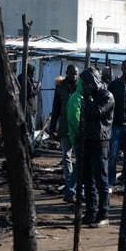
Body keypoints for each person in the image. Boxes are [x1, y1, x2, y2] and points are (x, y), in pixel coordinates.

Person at [78, 68, 114, 227]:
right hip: (88, 140)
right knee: (88, 179)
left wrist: (88, 100)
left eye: (86, 83)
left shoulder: (107, 96)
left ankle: (103, 213)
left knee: (101, 178)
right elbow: (84, 119)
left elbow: (96, 113)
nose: (84, 86)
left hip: (100, 140)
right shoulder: (89, 97)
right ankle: (91, 210)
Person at [48, 65, 79, 203]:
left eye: (76, 74)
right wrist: (52, 127)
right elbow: (56, 108)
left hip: (78, 128)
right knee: (66, 157)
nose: (74, 76)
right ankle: (70, 185)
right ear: (66, 73)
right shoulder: (61, 87)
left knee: (79, 158)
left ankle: (76, 185)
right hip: (65, 127)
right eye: (72, 73)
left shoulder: (80, 88)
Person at [106, 60, 126, 193]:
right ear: (122, 69)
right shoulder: (114, 85)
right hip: (116, 125)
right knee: (112, 155)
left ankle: (125, 182)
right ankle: (110, 183)